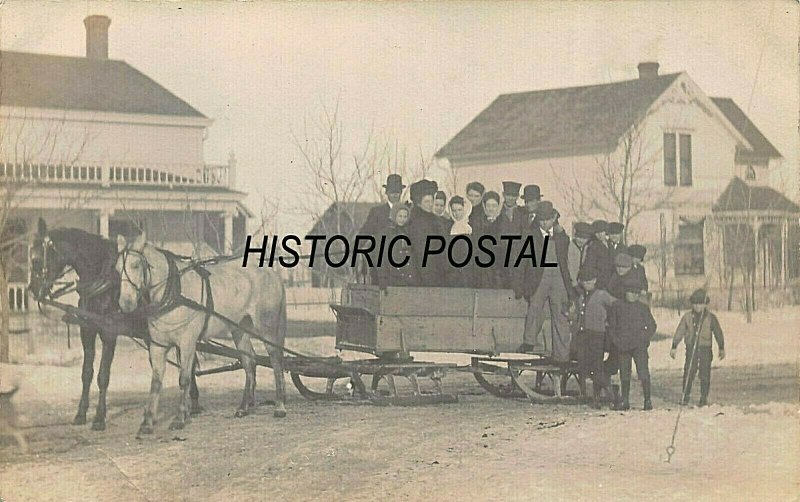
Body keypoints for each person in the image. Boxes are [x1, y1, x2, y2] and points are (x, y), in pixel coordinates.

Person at [514, 201, 576, 361]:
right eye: (542, 219)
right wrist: (519, 285)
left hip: (559, 279)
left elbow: (566, 261)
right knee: (534, 308)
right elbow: (521, 262)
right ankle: (529, 342)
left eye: (548, 219)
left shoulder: (562, 236)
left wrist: (569, 286)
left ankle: (562, 355)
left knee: (560, 315)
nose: (545, 223)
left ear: (554, 218)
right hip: (538, 278)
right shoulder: (530, 235)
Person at [607, 275, 657, 410]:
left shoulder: (642, 307)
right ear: (625, 291)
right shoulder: (617, 306)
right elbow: (611, 327)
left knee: (643, 372)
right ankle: (625, 400)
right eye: (630, 292)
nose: (633, 295)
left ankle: (647, 400)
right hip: (622, 346)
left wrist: (644, 338)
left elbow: (652, 325)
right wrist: (616, 341)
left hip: (639, 347)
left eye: (636, 293)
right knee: (624, 373)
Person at [670, 289, 726, 406]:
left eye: (700, 304)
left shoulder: (710, 317)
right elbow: (680, 331)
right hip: (691, 349)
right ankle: (685, 395)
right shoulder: (687, 317)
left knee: (705, 373)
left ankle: (703, 397)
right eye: (695, 303)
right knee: (689, 372)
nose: (698, 306)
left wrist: (721, 347)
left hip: (705, 349)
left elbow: (718, 332)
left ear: (705, 304)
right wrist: (674, 345)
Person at [573, 266, 616, 408]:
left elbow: (615, 305)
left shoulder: (602, 294)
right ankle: (603, 393)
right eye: (584, 281)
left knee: (596, 366)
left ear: (595, 280)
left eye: (590, 281)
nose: (587, 284)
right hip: (583, 335)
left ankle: (607, 395)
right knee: (585, 365)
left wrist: (609, 321)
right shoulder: (580, 295)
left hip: (597, 335)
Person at [360, 174, 406, 284]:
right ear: (387, 192)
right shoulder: (377, 212)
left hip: (402, 267)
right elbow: (364, 233)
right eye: (392, 191)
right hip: (381, 266)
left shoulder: (407, 212)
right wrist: (354, 249)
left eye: (398, 191)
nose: (395, 194)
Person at [406, 179, 445, 286]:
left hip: (436, 270)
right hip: (420, 273)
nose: (430, 204)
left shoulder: (435, 220)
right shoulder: (414, 221)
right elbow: (420, 251)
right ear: (419, 202)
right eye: (427, 201)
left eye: (432, 201)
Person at [377, 205, 416, 289]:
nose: (402, 219)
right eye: (400, 216)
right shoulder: (386, 233)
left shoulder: (409, 233)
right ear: (394, 216)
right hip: (393, 277)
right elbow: (381, 258)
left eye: (405, 217)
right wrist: (382, 278)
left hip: (408, 278)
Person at [473, 191, 503, 288]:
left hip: (499, 265)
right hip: (483, 266)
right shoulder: (478, 223)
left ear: (498, 206)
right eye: (488, 205)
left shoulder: (503, 221)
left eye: (494, 205)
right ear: (484, 206)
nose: (491, 209)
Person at [446, 196, 474, 287]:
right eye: (454, 211)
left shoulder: (471, 227)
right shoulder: (448, 227)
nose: (456, 214)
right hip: (452, 272)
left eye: (459, 210)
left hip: (469, 271)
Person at [583, 220, 614, 289]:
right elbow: (589, 265)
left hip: (611, 281)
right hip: (600, 281)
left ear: (606, 232)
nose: (599, 235)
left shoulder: (610, 244)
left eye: (601, 232)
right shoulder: (593, 246)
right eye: (597, 233)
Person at [568, 222, 592, 290]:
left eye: (584, 239)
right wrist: (575, 284)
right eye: (579, 237)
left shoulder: (587, 248)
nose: (581, 241)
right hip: (571, 283)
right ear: (575, 236)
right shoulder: (570, 247)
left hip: (583, 283)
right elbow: (570, 267)